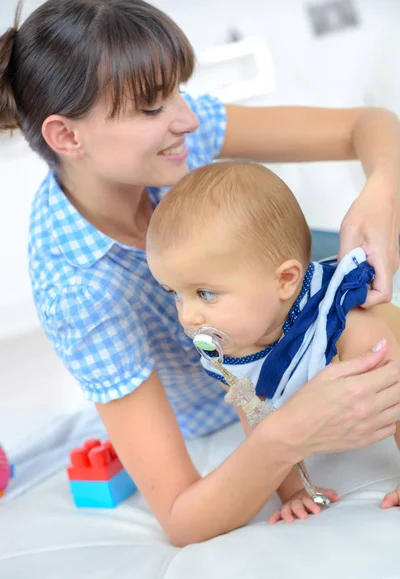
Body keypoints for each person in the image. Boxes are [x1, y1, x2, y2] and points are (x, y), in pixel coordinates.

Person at [0, 0, 399, 545]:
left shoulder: (175, 138)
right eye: (149, 107)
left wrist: (380, 193)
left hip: (288, 279)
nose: (186, 119)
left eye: (178, 92)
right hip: (248, 372)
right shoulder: (78, 291)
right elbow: (183, 518)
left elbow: (368, 124)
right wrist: (286, 434)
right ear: (68, 137)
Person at [146, 160, 400, 525]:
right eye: (175, 294)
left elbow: (395, 392)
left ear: (285, 280)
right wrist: (294, 490)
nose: (188, 316)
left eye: (205, 293)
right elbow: (259, 419)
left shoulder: (345, 324)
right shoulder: (231, 348)